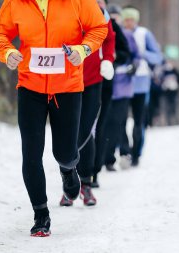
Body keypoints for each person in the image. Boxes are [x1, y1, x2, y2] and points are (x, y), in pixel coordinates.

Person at [0, 0, 108, 237]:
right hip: (30, 86)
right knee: (31, 153)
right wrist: (8, 52)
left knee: (64, 152)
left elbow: (99, 27)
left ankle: (68, 168)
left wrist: (83, 49)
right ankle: (41, 215)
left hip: (67, 87)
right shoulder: (16, 2)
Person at [59, 1, 115, 207]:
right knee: (67, 132)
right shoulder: (64, 8)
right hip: (66, 79)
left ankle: (86, 184)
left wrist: (107, 60)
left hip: (92, 81)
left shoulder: (100, 13)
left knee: (85, 132)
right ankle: (68, 182)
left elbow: (109, 39)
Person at [92, 2, 132, 187]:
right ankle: (73, 170)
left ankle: (94, 171)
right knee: (79, 127)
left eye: (101, 1)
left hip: (104, 81)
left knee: (102, 125)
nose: (97, 3)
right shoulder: (77, 19)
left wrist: (111, 57)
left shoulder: (111, 25)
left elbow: (125, 52)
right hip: (78, 80)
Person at [119, 5, 163, 167]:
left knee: (139, 121)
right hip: (123, 83)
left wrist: (142, 53)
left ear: (136, 20)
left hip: (141, 84)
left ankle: (136, 152)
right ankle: (125, 151)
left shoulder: (144, 34)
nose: (128, 23)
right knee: (120, 120)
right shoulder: (119, 32)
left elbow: (158, 57)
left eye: (131, 19)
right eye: (126, 20)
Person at [99, 4, 140, 173]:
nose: (114, 20)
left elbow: (134, 55)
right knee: (105, 122)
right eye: (112, 16)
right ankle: (105, 157)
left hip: (123, 86)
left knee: (118, 122)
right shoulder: (99, 29)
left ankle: (122, 154)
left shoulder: (126, 34)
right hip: (105, 85)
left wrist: (132, 66)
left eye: (117, 17)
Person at [160, 60, 179, 125]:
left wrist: (177, 86)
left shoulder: (175, 71)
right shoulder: (164, 72)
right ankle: (169, 121)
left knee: (174, 106)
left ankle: (176, 120)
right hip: (166, 92)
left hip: (174, 92)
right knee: (167, 107)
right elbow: (160, 81)